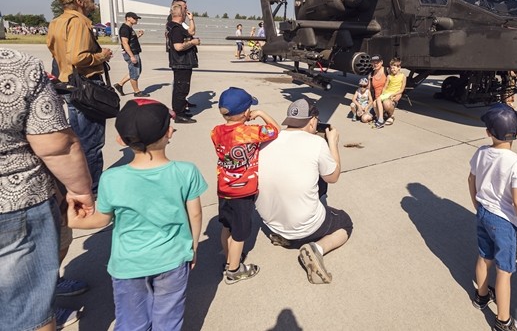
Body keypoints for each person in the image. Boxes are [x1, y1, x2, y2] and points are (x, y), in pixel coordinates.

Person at [68, 98, 207, 331]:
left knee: (132, 320)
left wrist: (73, 221)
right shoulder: (186, 172)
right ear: (168, 133)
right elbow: (195, 215)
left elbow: (102, 219)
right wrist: (192, 248)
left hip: (128, 264)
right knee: (168, 317)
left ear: (120, 140)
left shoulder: (112, 178)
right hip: (172, 259)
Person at [0, 47, 95, 331]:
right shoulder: (16, 66)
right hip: (14, 199)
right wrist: (80, 192)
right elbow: (57, 145)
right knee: (27, 309)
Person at [255, 98, 353, 284]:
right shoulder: (316, 143)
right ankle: (316, 248)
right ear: (313, 121)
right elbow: (333, 177)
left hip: (271, 223)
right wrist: (333, 143)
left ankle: (287, 237)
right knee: (345, 222)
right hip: (304, 226)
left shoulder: (267, 139)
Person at [468, 104, 517, 331]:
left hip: (484, 213)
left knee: (484, 256)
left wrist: (477, 203)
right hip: (504, 222)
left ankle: (481, 296)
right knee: (504, 271)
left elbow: (471, 180)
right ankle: (504, 321)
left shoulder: (481, 153)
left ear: (488, 132)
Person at [47, 0, 112, 191]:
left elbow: (55, 52)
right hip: (86, 85)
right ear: (79, 1)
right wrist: (102, 56)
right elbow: (78, 56)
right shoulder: (79, 22)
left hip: (69, 84)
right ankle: (91, 188)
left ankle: (76, 183)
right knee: (91, 143)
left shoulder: (57, 22)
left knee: (79, 140)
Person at [211, 87, 279, 284]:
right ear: (245, 112)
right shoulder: (251, 132)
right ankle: (234, 270)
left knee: (227, 227)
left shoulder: (215, 132)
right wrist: (261, 114)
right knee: (240, 234)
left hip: (224, 189)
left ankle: (228, 259)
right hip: (243, 191)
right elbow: (275, 130)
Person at [166, 0, 201, 124]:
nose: (187, 11)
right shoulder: (175, 28)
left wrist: (191, 19)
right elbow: (178, 46)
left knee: (182, 88)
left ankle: (180, 110)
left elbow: (190, 32)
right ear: (180, 14)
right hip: (181, 62)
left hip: (183, 62)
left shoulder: (179, 27)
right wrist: (192, 42)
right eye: (185, 9)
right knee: (180, 88)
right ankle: (179, 115)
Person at [114, 11, 149, 97]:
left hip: (134, 52)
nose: (136, 20)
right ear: (128, 18)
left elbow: (130, 40)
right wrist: (132, 56)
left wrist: (139, 35)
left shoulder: (129, 28)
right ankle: (136, 92)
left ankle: (120, 84)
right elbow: (125, 43)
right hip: (131, 53)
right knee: (135, 72)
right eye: (134, 18)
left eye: (136, 18)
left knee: (136, 71)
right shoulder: (125, 29)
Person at [373, 57, 406, 128]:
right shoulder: (389, 76)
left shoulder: (403, 76)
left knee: (385, 103)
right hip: (387, 93)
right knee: (375, 102)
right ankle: (379, 118)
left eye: (394, 68)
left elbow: (402, 89)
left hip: (393, 94)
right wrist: (383, 93)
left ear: (399, 67)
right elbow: (385, 86)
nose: (392, 70)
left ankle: (383, 118)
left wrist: (394, 94)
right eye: (391, 68)